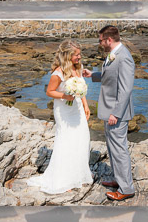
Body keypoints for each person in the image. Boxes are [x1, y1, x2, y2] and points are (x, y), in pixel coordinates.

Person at [25, 40, 92, 194]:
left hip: (78, 109)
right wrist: (64, 96)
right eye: (76, 54)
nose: (79, 57)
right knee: (66, 141)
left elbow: (80, 89)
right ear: (68, 55)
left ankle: (78, 175)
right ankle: (63, 179)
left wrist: (85, 105)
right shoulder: (58, 72)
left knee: (82, 138)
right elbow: (49, 92)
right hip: (64, 111)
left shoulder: (79, 68)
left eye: (79, 54)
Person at [82, 25, 137, 201]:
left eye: (100, 41)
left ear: (109, 40)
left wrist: (116, 113)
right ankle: (118, 179)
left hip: (116, 113)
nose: (100, 44)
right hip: (110, 110)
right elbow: (110, 77)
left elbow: (126, 89)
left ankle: (126, 189)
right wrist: (93, 75)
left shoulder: (124, 57)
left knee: (119, 149)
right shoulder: (115, 55)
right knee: (113, 148)